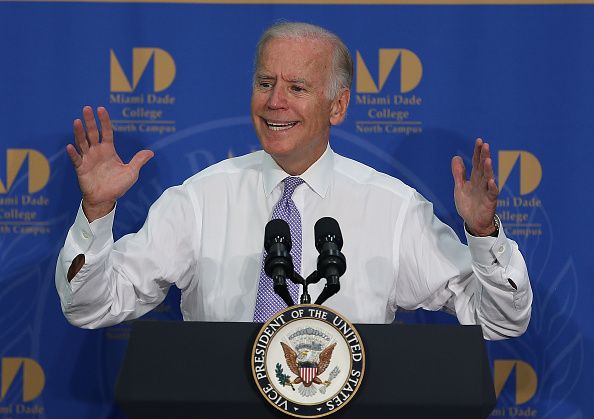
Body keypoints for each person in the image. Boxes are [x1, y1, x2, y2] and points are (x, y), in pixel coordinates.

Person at [55, 22, 532, 339]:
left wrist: (484, 237)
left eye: (297, 88)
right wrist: (96, 216)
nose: (274, 102)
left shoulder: (393, 208)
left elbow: (501, 319)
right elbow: (92, 307)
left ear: (337, 106)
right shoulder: (201, 199)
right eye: (265, 83)